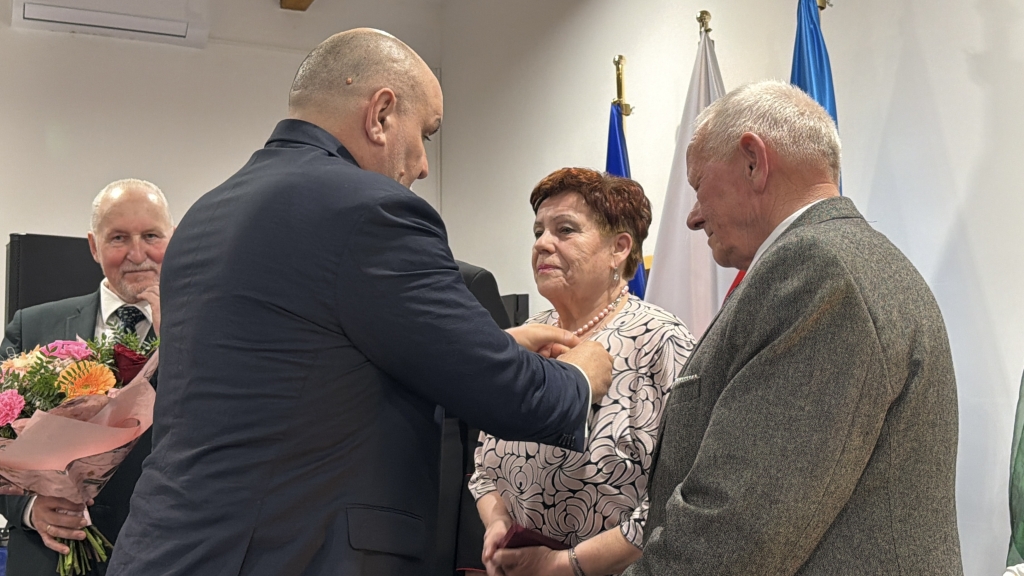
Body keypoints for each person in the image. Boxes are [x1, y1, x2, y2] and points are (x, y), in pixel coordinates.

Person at [107, 29, 613, 576]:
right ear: (381, 114)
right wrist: (580, 376)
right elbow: (504, 392)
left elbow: (299, 372)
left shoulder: (206, 213)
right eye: (426, 133)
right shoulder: (372, 210)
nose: (423, 164)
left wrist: (497, 342)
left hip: (169, 549)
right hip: (290, 554)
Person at [622, 80, 963, 575]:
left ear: (753, 162)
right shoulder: (849, 258)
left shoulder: (815, 270)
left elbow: (734, 533)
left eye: (698, 187)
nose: (693, 218)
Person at [469, 168, 696, 576]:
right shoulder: (525, 336)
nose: (542, 243)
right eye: (538, 231)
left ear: (619, 249)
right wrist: (498, 523)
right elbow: (484, 468)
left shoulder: (661, 340)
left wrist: (564, 565)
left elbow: (677, 498)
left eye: (565, 230)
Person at [0, 178, 172, 576]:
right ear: (94, 246)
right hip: (49, 556)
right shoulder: (33, 325)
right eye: (118, 238)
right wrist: (29, 507)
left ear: (173, 239)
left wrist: (179, 338)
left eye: (151, 236)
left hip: (164, 556)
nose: (137, 254)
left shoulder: (209, 331)